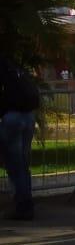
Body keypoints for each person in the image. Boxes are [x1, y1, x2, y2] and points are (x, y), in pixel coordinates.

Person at [0, 55, 39, 221]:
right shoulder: (10, 63)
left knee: (15, 165)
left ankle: (22, 206)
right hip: (27, 115)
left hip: (11, 117)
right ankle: (26, 203)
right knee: (23, 163)